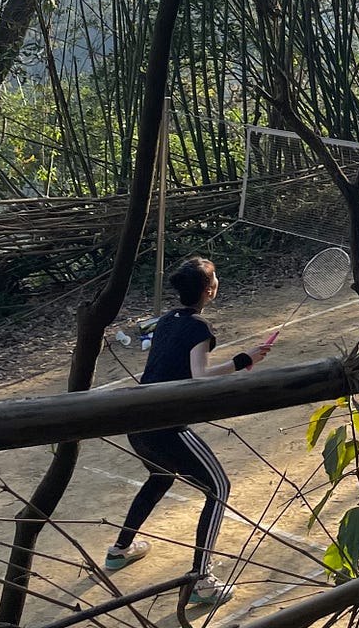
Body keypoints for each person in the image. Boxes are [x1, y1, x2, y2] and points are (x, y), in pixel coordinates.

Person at [106, 257, 273, 609]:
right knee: (219, 486)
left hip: (138, 423)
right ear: (209, 290)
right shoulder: (199, 328)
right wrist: (246, 360)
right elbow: (199, 376)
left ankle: (119, 551)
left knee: (160, 477)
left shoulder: (167, 321)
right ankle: (202, 579)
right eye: (214, 278)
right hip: (166, 426)